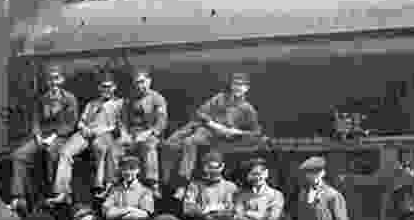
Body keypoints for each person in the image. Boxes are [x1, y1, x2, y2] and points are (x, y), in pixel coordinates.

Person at [162, 72, 262, 199]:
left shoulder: (247, 109)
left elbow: (255, 132)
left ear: (246, 88)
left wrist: (236, 132)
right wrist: (215, 125)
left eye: (241, 85)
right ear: (231, 86)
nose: (237, 87)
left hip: (221, 138)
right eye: (235, 84)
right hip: (207, 129)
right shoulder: (220, 98)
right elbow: (201, 113)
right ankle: (167, 182)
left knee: (190, 142)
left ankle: (182, 185)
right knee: (170, 144)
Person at [10, 65, 79, 208]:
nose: (53, 83)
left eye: (56, 79)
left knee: (51, 152)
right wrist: (38, 136)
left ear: (61, 80)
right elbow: (35, 120)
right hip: (43, 136)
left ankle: (53, 194)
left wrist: (53, 137)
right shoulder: (43, 99)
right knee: (19, 155)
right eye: (50, 80)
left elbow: (70, 124)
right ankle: (18, 196)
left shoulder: (70, 99)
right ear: (47, 82)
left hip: (61, 137)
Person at [53, 73, 124, 202]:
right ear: (99, 88)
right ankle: (62, 192)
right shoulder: (92, 104)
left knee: (99, 147)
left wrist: (101, 130)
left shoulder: (120, 104)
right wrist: (83, 128)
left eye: (109, 87)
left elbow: (120, 126)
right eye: (103, 87)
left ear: (114, 88)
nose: (106, 90)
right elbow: (81, 121)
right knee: (65, 152)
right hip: (85, 133)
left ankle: (101, 188)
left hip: (104, 133)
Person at [120, 68, 168, 199]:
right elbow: (123, 120)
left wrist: (148, 133)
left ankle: (153, 183)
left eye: (142, 82)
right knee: (116, 147)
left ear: (149, 81)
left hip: (150, 133)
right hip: (132, 133)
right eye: (137, 83)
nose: (139, 85)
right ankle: (113, 183)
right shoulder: (129, 99)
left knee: (149, 146)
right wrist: (124, 133)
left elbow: (162, 121)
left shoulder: (158, 98)